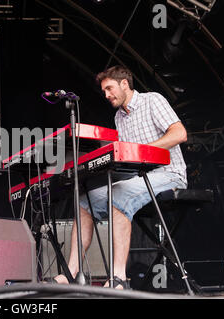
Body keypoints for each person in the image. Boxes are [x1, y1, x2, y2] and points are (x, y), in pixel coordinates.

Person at [53, 65, 188, 289]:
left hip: (170, 174)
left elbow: (179, 134)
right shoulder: (119, 117)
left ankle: (118, 278)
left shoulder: (152, 100)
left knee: (120, 196)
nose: (106, 95)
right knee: (84, 202)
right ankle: (70, 273)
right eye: (104, 91)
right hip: (139, 179)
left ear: (124, 84)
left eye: (110, 88)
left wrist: (143, 151)